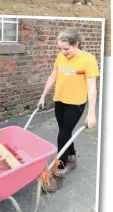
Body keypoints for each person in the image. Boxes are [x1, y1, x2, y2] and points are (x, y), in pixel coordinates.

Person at [38, 28, 99, 192]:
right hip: (60, 101)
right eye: (61, 48)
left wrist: (91, 113)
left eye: (66, 49)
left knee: (63, 134)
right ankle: (72, 157)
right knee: (65, 131)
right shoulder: (61, 56)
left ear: (76, 44)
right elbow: (53, 76)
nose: (63, 52)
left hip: (76, 104)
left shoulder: (88, 60)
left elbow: (92, 87)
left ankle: (59, 171)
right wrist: (43, 95)